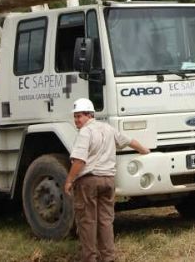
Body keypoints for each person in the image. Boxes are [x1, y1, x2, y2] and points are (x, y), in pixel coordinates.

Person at [64, 98, 150, 262]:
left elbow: (79, 160)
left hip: (89, 181)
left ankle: (90, 258)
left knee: (87, 221)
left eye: (79, 116)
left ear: (90, 115)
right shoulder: (108, 128)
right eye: (75, 116)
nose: (76, 120)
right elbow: (128, 141)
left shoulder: (85, 132)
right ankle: (108, 257)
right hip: (108, 181)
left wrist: (69, 180)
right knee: (106, 221)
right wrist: (144, 150)